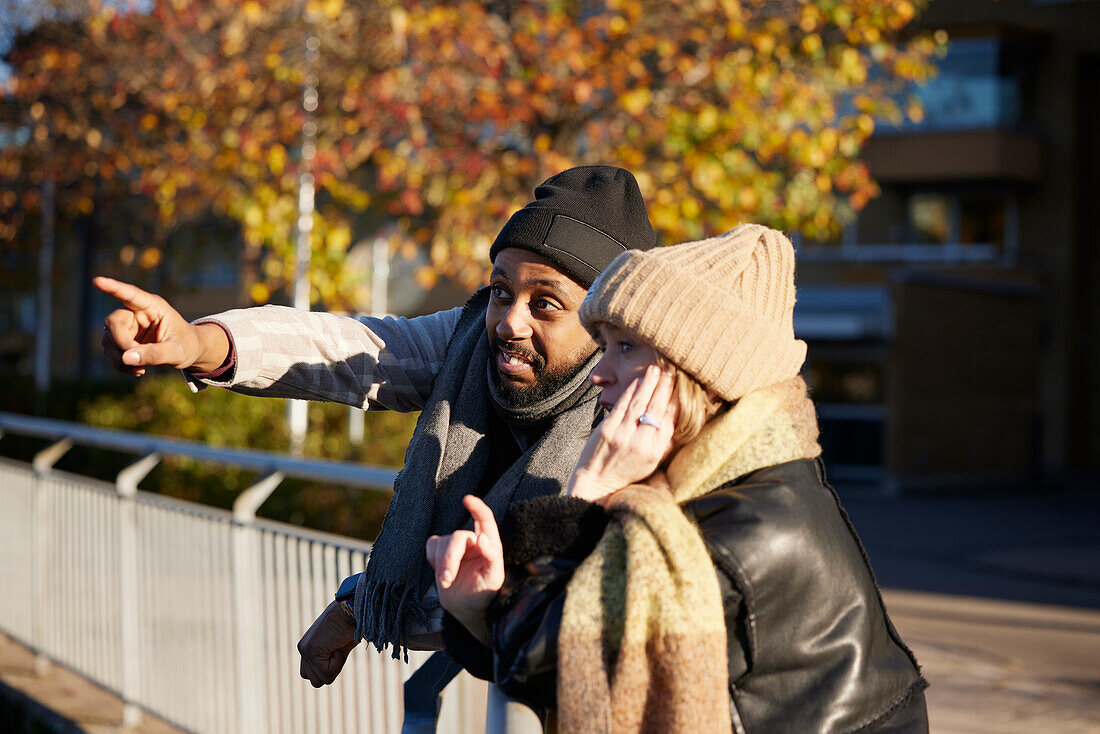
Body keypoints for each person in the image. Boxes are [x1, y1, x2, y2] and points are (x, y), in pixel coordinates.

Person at [95, 165, 659, 684]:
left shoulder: (642, 420)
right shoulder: (469, 347)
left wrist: (354, 609)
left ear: (608, 322)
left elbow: (512, 593)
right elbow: (351, 352)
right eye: (501, 290)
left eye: (546, 305)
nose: (509, 322)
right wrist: (198, 344)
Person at [426, 224, 929, 733]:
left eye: (625, 347)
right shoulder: (723, 483)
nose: (601, 371)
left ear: (692, 371)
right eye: (604, 344)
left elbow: (557, 666)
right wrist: (479, 609)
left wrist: (587, 493)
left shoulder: (741, 532)